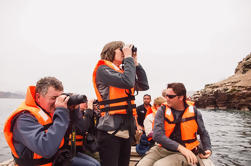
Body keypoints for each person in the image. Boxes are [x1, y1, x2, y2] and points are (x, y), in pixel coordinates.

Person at [4, 76, 100, 166]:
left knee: (96, 164)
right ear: (38, 97)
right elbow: (45, 148)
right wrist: (62, 112)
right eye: (53, 98)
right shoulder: (24, 119)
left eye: (59, 98)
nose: (57, 102)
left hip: (56, 159)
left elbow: (80, 129)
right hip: (41, 163)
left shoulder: (50, 111)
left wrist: (74, 111)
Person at [92, 41, 149, 166]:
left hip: (126, 129)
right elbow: (128, 82)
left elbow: (144, 85)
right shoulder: (103, 70)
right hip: (110, 131)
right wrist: (128, 58)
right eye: (121, 49)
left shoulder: (123, 72)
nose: (124, 52)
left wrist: (135, 63)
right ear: (111, 51)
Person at [137, 83, 214, 166]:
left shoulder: (194, 112)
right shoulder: (162, 110)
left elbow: (203, 133)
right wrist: (181, 148)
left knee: (159, 165)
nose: (166, 98)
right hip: (163, 149)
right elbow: (157, 135)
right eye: (166, 96)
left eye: (170, 96)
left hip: (186, 151)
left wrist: (207, 148)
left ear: (181, 97)